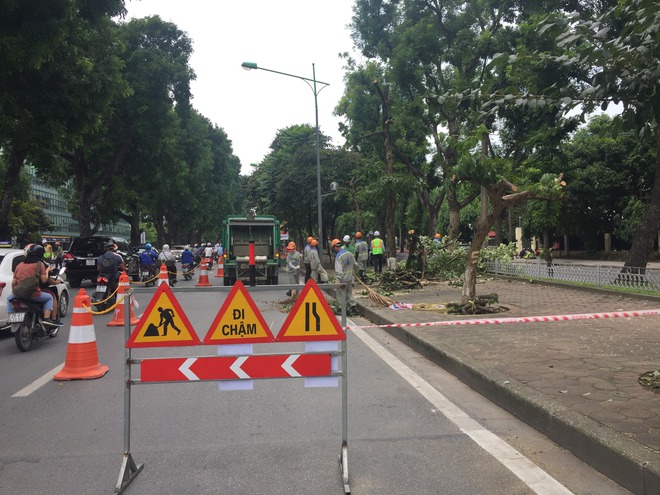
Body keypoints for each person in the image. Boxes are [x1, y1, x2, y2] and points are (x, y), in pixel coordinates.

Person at [7, 244, 62, 327]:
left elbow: (13, 283)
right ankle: (47, 319)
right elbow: (44, 280)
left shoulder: (19, 265)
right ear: (40, 255)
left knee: (9, 298)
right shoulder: (40, 264)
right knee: (50, 297)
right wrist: (47, 271)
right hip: (34, 294)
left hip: (18, 294)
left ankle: (10, 317)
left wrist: (15, 292)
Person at [331, 238, 357, 312]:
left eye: (333, 248)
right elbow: (355, 264)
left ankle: (342, 309)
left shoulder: (339, 256)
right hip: (349, 278)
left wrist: (338, 280)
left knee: (340, 294)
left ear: (335, 247)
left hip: (342, 279)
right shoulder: (349, 253)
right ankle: (353, 306)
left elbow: (339, 270)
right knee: (349, 293)